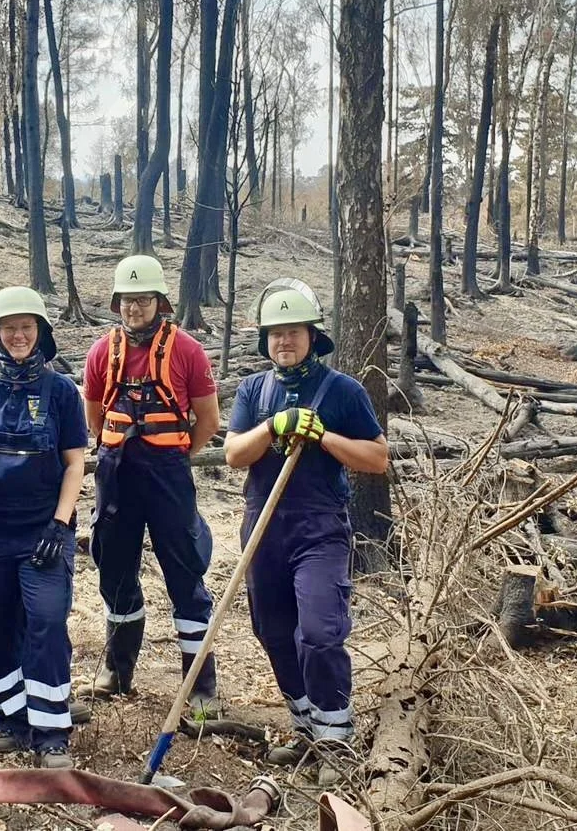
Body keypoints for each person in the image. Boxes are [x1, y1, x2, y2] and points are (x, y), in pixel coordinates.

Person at [223, 287, 389, 784]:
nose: (284, 342)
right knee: (272, 632)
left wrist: (323, 436)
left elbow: (378, 459)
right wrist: (274, 425)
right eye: (275, 334)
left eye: (293, 332)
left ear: (313, 337)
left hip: (319, 528)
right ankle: (305, 727)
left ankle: (335, 739)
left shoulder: (342, 391)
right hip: (264, 524)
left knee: (318, 632)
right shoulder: (254, 392)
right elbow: (234, 454)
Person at [0, 287, 88, 768]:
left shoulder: (63, 392)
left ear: (41, 333)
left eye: (27, 327)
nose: (18, 335)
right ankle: (11, 716)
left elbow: (74, 464)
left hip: (42, 531)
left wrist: (60, 522)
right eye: (9, 329)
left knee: (46, 619)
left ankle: (51, 729)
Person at [78, 255, 221, 711]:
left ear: (160, 302)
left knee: (185, 573)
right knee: (115, 569)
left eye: (142, 300)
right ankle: (117, 669)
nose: (134, 308)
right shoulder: (102, 352)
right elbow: (95, 417)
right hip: (117, 474)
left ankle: (199, 683)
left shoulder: (188, 351)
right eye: (126, 300)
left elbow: (208, 419)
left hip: (167, 476)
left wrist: (175, 455)